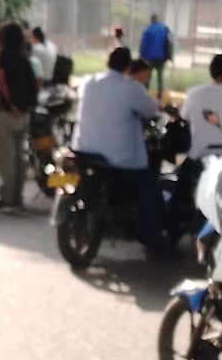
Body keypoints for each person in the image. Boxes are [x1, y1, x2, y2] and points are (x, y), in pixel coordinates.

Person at [72, 46, 169, 254]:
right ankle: (153, 241)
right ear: (128, 67)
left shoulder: (88, 82)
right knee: (149, 190)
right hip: (116, 158)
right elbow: (151, 109)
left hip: (83, 150)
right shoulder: (130, 88)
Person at [0, 22, 39, 210]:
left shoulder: (4, 54)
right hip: (25, 111)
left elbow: (2, 79)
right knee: (20, 155)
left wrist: (11, 102)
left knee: (6, 156)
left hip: (7, 110)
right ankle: (18, 195)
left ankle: (7, 196)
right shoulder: (24, 55)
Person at [138, 14, 171, 101]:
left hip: (150, 58)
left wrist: (142, 56)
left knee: (147, 77)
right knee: (160, 78)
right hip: (161, 58)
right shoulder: (164, 29)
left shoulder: (148, 30)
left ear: (151, 20)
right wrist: (168, 56)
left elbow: (144, 45)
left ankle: (145, 95)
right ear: (157, 20)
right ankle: (159, 97)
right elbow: (168, 43)